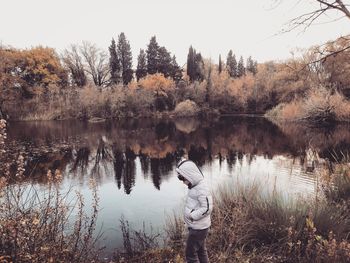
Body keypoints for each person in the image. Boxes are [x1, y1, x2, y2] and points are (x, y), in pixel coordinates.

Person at [176, 158, 213, 263]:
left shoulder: (201, 188)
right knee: (201, 250)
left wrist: (192, 216)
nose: (183, 182)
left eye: (183, 179)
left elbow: (207, 208)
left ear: (190, 176)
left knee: (190, 253)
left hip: (199, 228)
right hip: (197, 226)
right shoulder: (195, 186)